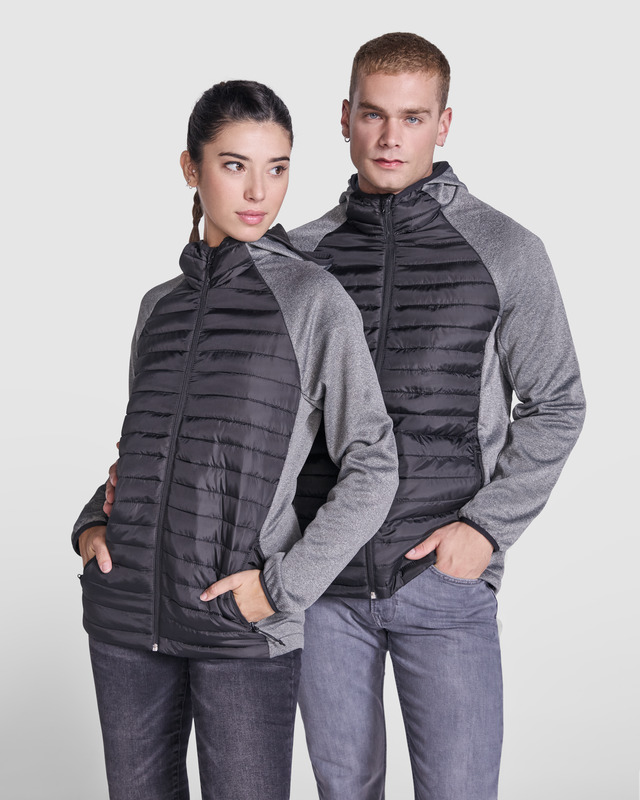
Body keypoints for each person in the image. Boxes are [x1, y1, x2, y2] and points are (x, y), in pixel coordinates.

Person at [101, 33, 586, 800]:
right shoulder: (298, 258)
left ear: (444, 124)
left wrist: (485, 530)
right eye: (373, 114)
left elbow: (558, 402)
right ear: (344, 118)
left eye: (413, 117)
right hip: (319, 591)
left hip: (440, 584)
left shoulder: (506, 251)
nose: (391, 137)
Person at [71, 79, 399, 800]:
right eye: (234, 165)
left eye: (277, 167)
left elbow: (374, 465)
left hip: (239, 627)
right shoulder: (158, 307)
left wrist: (279, 590)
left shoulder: (313, 302)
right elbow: (144, 445)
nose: (259, 191)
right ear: (190, 168)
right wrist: (94, 523)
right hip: (126, 618)